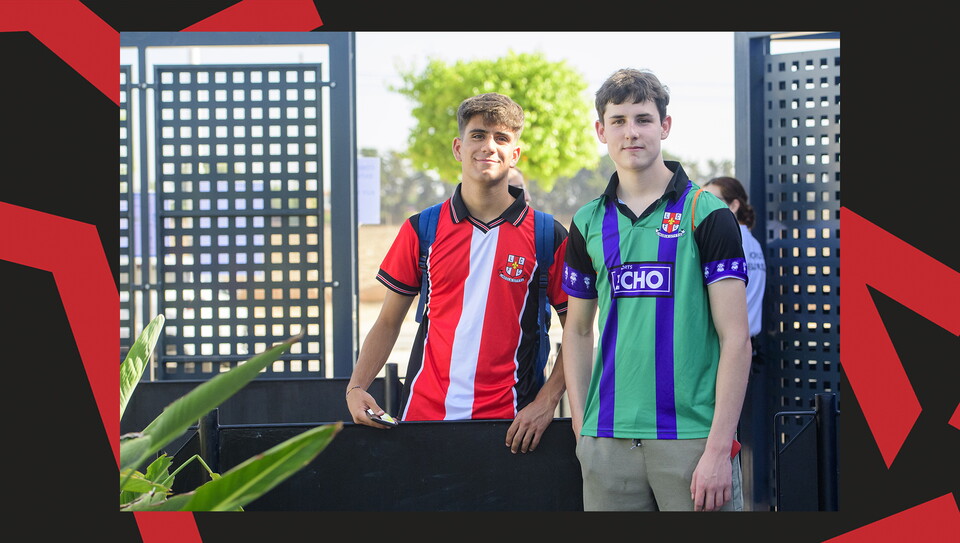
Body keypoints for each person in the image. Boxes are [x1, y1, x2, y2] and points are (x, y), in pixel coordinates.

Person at [561, 68, 752, 511]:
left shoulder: (707, 214)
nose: (632, 132)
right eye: (619, 120)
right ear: (600, 130)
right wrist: (582, 428)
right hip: (605, 442)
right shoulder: (588, 221)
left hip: (692, 441)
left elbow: (736, 338)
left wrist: (720, 448)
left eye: (644, 119)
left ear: (664, 126)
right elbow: (577, 331)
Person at [345, 92, 570, 454]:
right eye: (478, 135)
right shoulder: (422, 229)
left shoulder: (548, 234)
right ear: (458, 147)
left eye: (502, 138)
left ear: (515, 154)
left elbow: (578, 330)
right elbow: (388, 321)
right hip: (424, 422)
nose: (489, 147)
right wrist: (356, 388)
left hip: (514, 429)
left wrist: (545, 403)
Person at [702, 177, 766, 340]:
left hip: (729, 345)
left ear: (734, 205)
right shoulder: (753, 243)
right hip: (746, 342)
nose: (705, 206)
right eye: (703, 198)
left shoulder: (729, 241)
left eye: (712, 200)